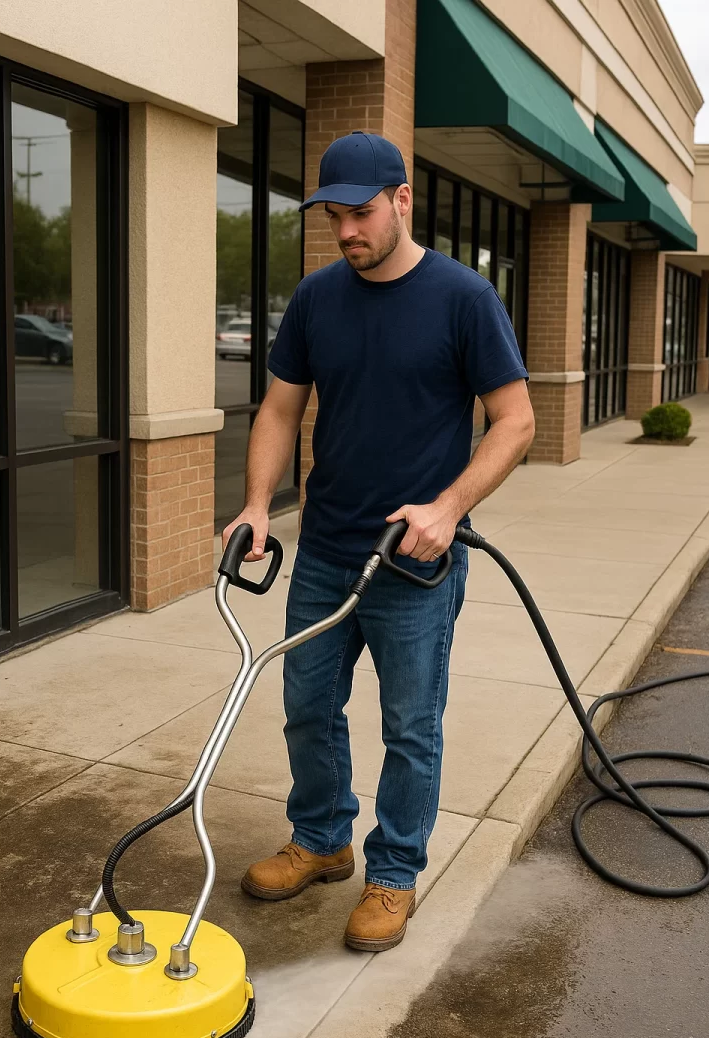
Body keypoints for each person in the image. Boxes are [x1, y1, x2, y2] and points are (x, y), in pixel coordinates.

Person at [222, 131, 534, 952]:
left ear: (402, 201)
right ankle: (323, 838)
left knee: (409, 725)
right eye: (334, 216)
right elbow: (281, 409)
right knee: (307, 707)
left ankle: (393, 873)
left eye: (360, 213)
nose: (347, 231)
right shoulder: (319, 299)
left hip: (414, 564)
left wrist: (448, 506)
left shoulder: (464, 298)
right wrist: (258, 504)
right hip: (326, 549)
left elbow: (516, 420)